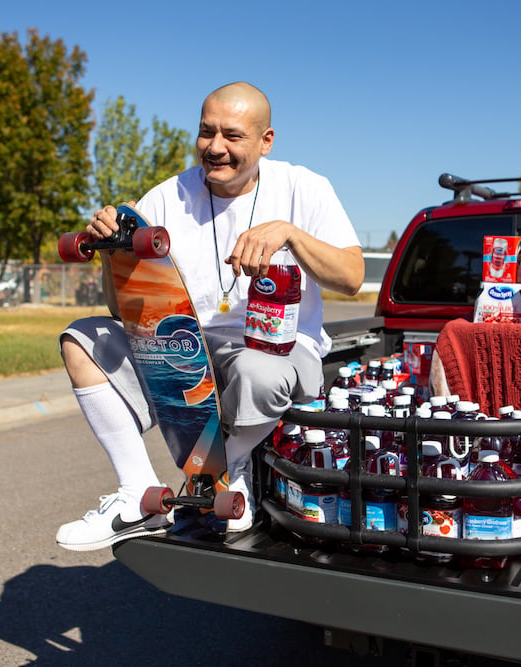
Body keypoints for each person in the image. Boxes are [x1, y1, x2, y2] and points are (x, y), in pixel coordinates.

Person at [56, 82, 364, 551]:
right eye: (206, 132)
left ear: (266, 141)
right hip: (188, 346)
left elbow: (352, 277)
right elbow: (124, 310)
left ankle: (229, 472)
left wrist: (289, 234)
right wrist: (111, 250)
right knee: (82, 338)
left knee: (255, 369)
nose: (215, 147)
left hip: (276, 348)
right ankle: (136, 491)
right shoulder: (165, 197)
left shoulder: (305, 187)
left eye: (232, 136)